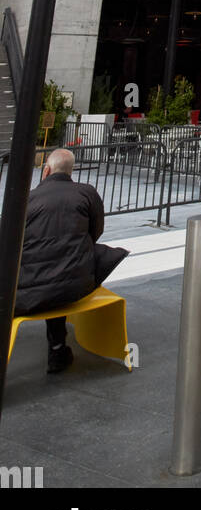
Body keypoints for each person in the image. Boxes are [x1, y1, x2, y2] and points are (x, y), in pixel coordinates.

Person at [14, 148, 128, 374]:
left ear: (46, 170)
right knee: (66, 265)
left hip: (27, 291)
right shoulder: (86, 193)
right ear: (71, 171)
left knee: (50, 268)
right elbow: (96, 232)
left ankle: (57, 347)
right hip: (77, 284)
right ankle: (57, 348)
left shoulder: (26, 200)